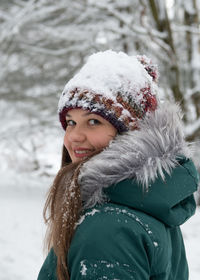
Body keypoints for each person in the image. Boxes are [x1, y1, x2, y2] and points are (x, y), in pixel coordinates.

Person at [37, 50, 199, 280]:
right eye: (71, 122)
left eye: (93, 121)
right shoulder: (148, 204)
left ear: (130, 133)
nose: (73, 136)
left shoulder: (108, 229)